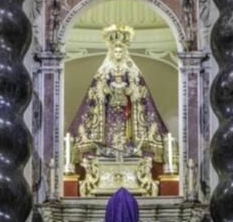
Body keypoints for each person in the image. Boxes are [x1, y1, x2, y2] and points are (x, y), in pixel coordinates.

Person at [69, 25, 168, 163]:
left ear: (125, 51)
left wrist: (132, 91)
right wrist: (104, 90)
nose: (118, 54)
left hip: (127, 112)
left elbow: (140, 93)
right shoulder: (104, 71)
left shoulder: (132, 70)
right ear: (111, 52)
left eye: (121, 51)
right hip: (109, 111)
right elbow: (94, 94)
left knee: (127, 133)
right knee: (108, 131)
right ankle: (107, 152)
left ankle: (128, 151)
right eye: (115, 51)